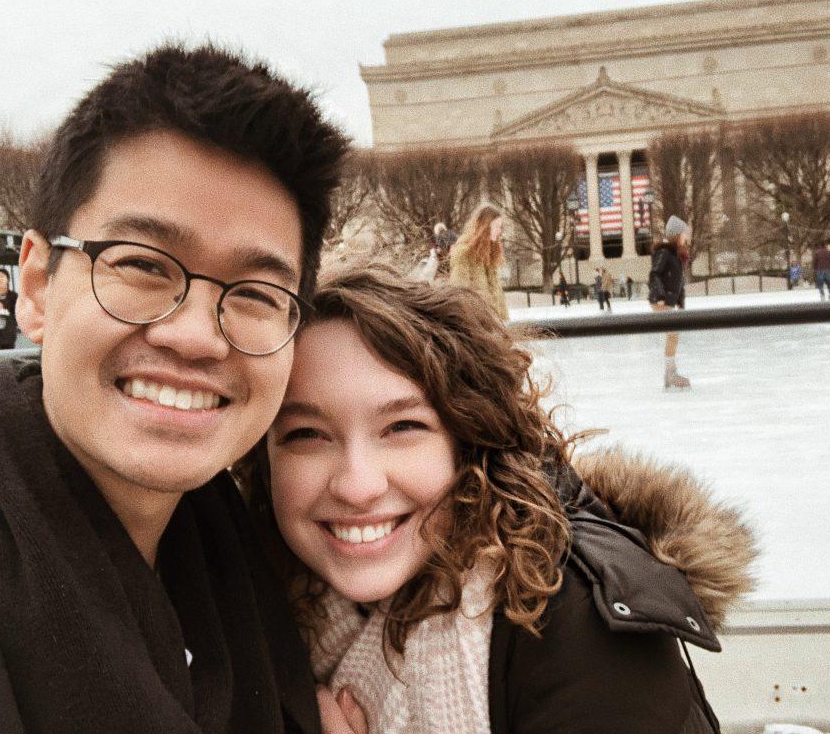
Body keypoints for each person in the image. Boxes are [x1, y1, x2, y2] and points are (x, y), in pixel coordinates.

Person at [0, 43, 350, 734]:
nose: (197, 335)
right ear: (37, 285)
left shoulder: (259, 556)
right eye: (141, 264)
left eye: (257, 292)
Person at [244, 263, 756, 734]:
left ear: (468, 443)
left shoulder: (582, 633)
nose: (357, 485)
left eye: (403, 427)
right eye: (307, 434)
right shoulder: (256, 615)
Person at [649, 215, 691, 389]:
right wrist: (659, 296)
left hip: (668, 300)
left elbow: (679, 281)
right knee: (673, 333)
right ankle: (670, 373)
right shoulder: (664, 252)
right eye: (683, 234)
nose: (685, 238)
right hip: (660, 300)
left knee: (673, 334)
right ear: (675, 235)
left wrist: (680, 300)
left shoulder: (676, 255)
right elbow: (654, 274)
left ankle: (670, 373)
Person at [449, 202, 509, 321]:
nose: (499, 231)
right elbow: (460, 295)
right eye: (496, 226)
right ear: (484, 226)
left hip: (495, 326)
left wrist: (503, 324)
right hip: (477, 327)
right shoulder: (463, 253)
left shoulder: (490, 253)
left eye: (500, 227)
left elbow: (498, 296)